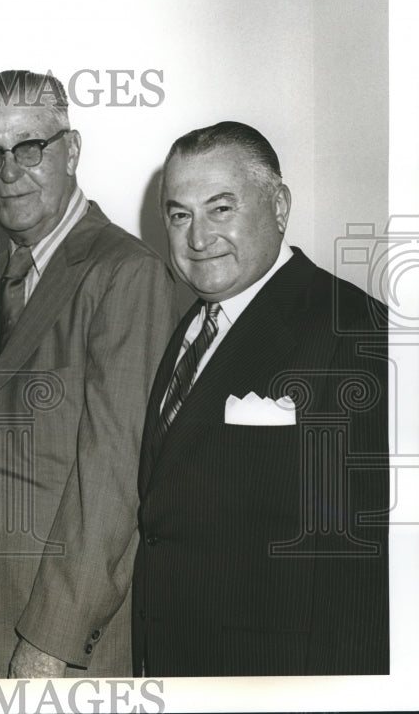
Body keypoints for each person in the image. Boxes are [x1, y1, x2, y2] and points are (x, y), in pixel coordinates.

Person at [0, 71, 178, 679]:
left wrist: (50, 645)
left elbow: (115, 487)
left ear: (70, 151)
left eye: (29, 148)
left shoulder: (126, 273)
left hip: (53, 651)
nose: (8, 173)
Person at [132, 121, 389, 676]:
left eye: (220, 209)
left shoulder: (354, 329)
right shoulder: (192, 328)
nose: (197, 238)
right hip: (178, 666)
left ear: (279, 206)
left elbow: (372, 562)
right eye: (180, 215)